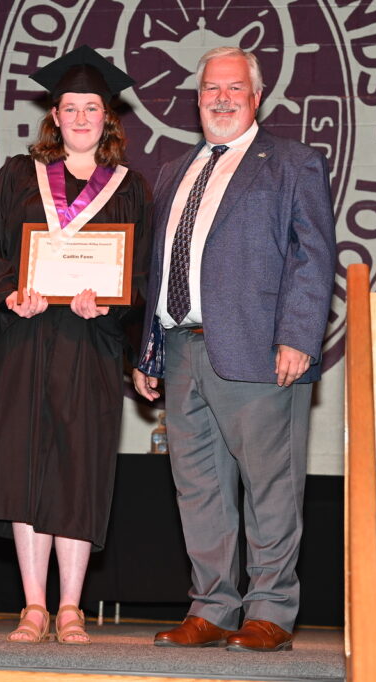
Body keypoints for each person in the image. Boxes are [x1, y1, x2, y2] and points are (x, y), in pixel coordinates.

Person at [132, 46, 335, 652]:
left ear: (257, 97)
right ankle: (213, 607)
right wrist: (148, 349)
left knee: (270, 485)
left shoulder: (292, 163)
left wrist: (298, 336)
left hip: (258, 351)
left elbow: (313, 254)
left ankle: (271, 608)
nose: (221, 98)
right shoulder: (173, 170)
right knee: (198, 489)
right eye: (210, 90)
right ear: (197, 100)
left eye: (234, 89)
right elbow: (160, 265)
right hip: (181, 347)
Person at [0, 46, 151, 645]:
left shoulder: (131, 188)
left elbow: (142, 274)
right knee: (22, 467)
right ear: (55, 116)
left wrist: (112, 303)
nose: (82, 117)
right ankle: (33, 605)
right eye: (72, 107)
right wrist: (11, 293)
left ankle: (71, 606)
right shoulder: (18, 176)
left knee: (79, 469)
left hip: (89, 344)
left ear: (108, 118)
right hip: (26, 339)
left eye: (93, 107)